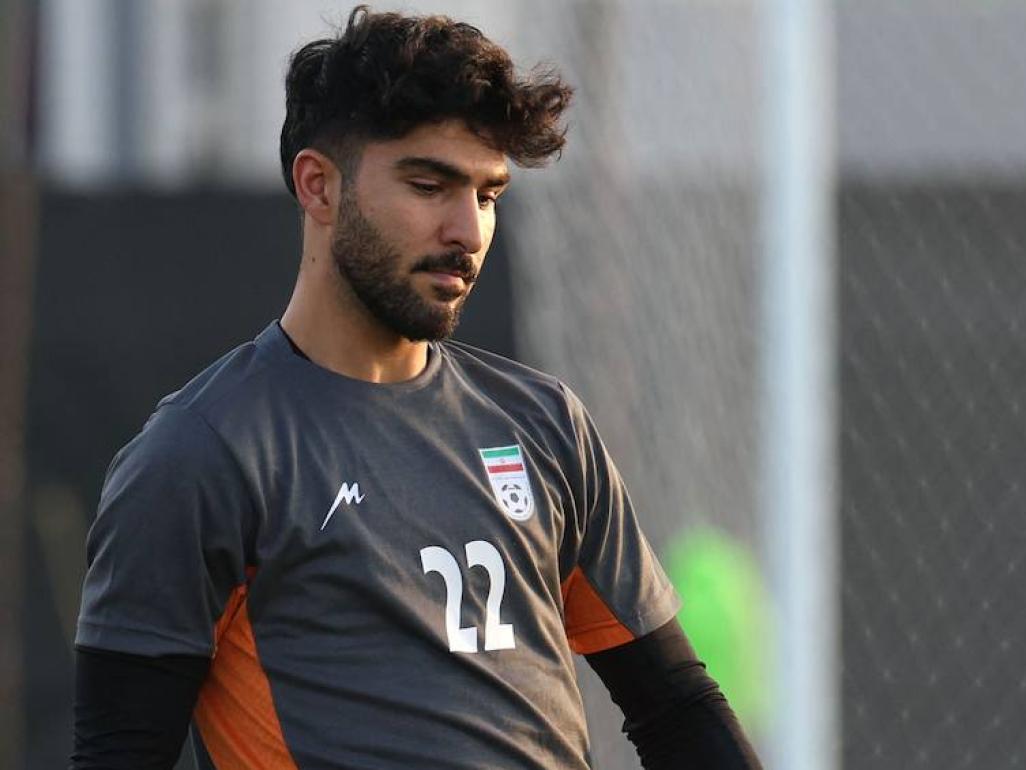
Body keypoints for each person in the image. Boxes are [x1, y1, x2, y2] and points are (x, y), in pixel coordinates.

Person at [71, 6, 762, 769]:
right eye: (430, 184)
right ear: (318, 187)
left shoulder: (546, 426)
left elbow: (678, 707)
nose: (467, 229)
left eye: (489, 194)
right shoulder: (201, 455)